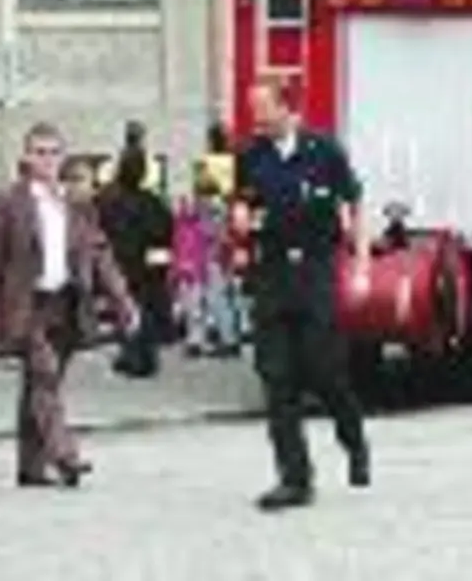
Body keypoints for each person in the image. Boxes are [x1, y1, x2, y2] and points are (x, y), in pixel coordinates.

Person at [0, 122, 139, 489]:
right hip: (26, 306)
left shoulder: (75, 205)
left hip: (65, 303)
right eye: (39, 152)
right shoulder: (7, 203)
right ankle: (66, 455)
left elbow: (100, 256)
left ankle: (30, 467)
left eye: (53, 152)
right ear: (26, 157)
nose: (46, 160)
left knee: (42, 385)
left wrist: (123, 302)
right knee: (44, 375)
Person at [233, 75, 371, 511]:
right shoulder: (251, 155)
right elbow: (241, 202)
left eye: (262, 107)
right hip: (271, 276)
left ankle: (353, 437)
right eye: (252, 107)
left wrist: (363, 263)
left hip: (315, 272)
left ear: (286, 108)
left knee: (323, 370)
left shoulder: (324, 151)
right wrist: (239, 217)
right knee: (277, 379)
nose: (255, 116)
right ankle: (294, 478)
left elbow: (354, 203)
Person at [96, 149, 174, 372]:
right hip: (147, 263)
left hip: (124, 261)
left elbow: (103, 228)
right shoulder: (152, 202)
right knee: (146, 306)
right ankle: (144, 354)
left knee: (126, 306)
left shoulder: (111, 200)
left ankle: (132, 354)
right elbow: (166, 230)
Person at [171, 168, 243, 358]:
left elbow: (214, 236)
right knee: (211, 302)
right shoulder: (212, 210)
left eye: (205, 194)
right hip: (209, 261)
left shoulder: (208, 211)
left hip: (205, 261)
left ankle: (203, 340)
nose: (204, 199)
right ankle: (223, 340)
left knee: (202, 302)